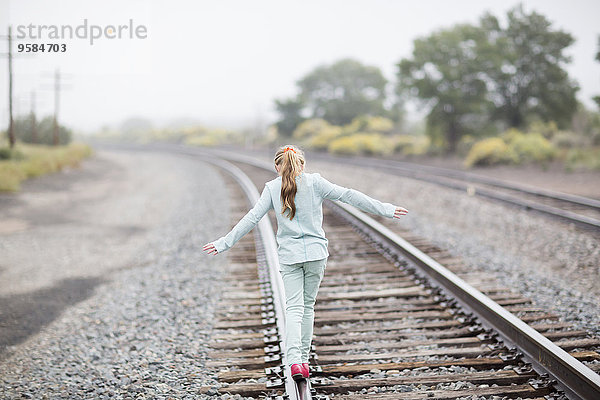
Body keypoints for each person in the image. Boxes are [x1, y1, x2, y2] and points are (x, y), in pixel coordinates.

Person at [203, 144, 408, 381]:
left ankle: (294, 363)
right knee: (307, 308)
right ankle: (303, 359)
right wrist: (386, 209)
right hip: (316, 254)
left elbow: (252, 218)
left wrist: (224, 243)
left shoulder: (272, 188)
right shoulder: (315, 183)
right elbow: (349, 195)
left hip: (290, 257)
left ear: (276, 167)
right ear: (302, 164)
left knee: (294, 309)